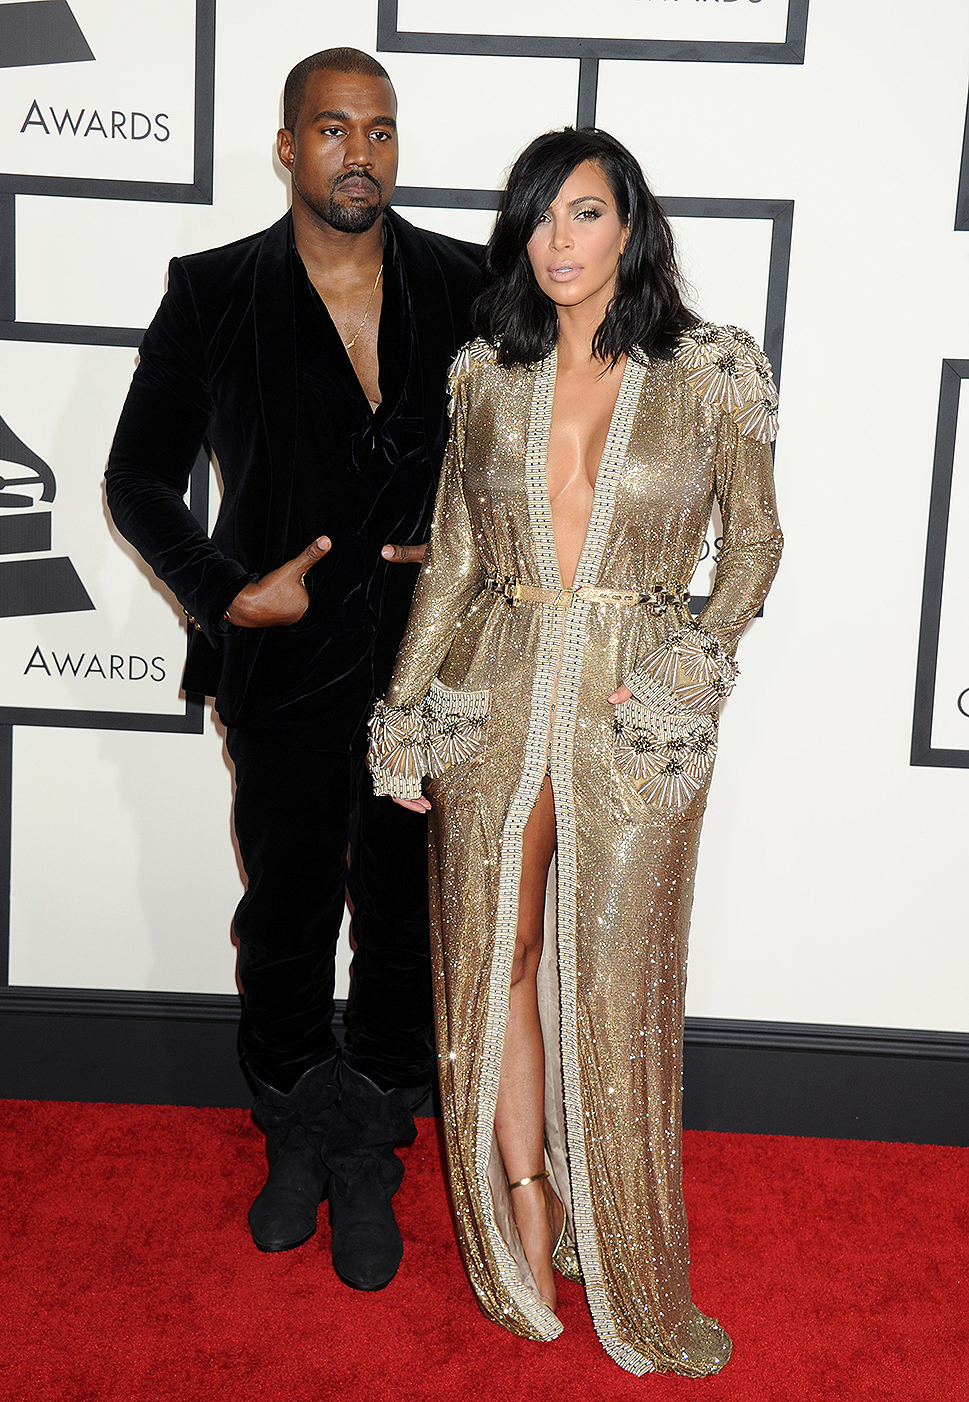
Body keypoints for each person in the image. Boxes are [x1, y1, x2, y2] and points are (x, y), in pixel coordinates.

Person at [369, 127, 782, 1374]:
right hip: (494, 691)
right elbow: (449, 560)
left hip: (633, 713)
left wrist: (687, 672)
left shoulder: (710, 370)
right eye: (540, 215)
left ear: (629, 227)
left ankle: (625, 1239)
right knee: (499, 949)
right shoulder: (482, 377)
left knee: (615, 970)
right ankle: (528, 1201)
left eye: (585, 213)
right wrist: (401, 704)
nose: (558, 240)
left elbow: (753, 545)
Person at [105, 48, 481, 1292]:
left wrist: (471, 542)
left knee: (402, 921)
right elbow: (138, 476)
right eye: (332, 128)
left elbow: (538, 456)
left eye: (379, 130)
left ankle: (369, 1138)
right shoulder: (212, 291)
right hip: (280, 669)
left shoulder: (467, 284)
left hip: (428, 669)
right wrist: (223, 594)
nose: (359, 152)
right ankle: (293, 1128)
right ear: (286, 147)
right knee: (281, 917)